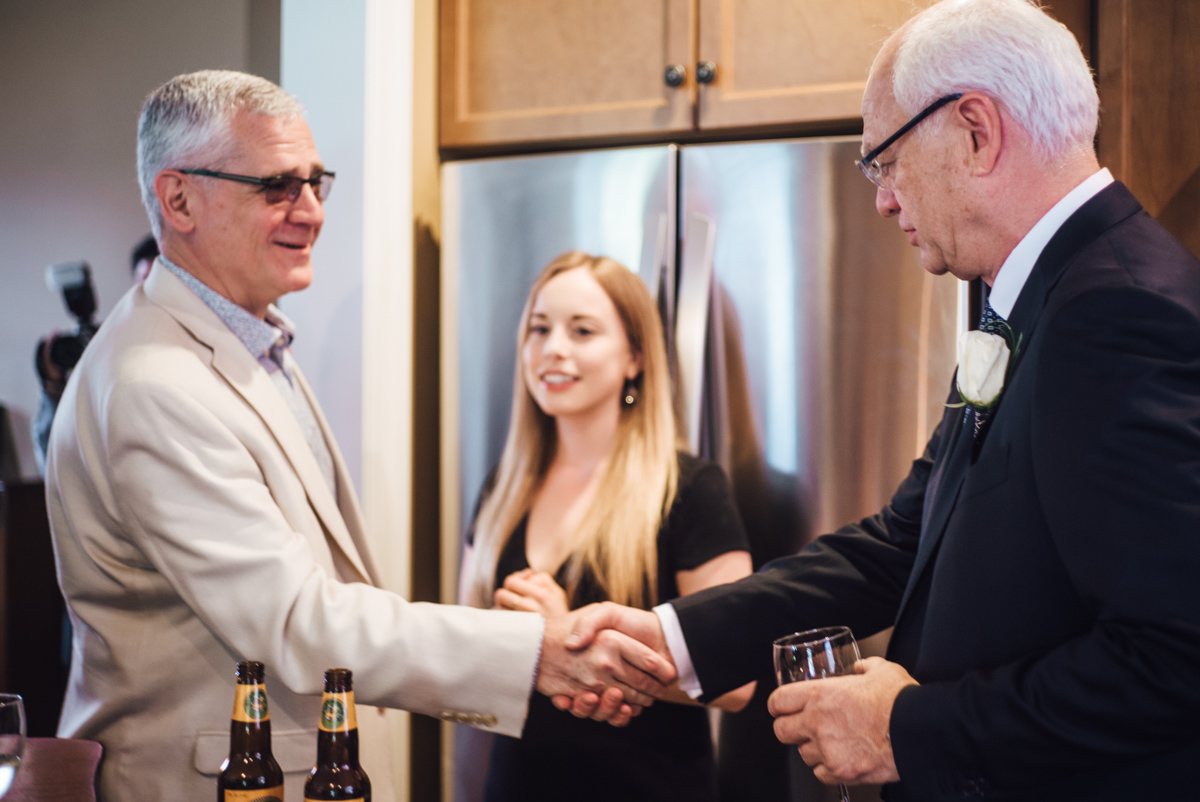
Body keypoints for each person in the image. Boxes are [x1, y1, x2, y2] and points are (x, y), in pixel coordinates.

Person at [564, 1, 1200, 800]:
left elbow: (1177, 656)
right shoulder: (1032, 297)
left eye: (885, 161)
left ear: (975, 130)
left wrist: (907, 729)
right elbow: (905, 540)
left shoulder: (1117, 313)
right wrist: (673, 634)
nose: (883, 201)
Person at [45, 70, 672, 802]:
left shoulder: (247, 342)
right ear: (179, 198)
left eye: (316, 183)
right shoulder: (155, 381)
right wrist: (535, 653)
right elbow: (297, 621)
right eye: (277, 186)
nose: (309, 212)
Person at [460, 251, 754, 801]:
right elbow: (466, 649)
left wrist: (566, 632)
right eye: (540, 329)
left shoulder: (689, 489)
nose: (553, 349)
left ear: (634, 358)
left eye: (583, 330)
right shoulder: (503, 487)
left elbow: (737, 680)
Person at [31, 234, 158, 473]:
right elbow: (50, 460)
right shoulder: (110, 345)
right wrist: (55, 388)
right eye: (143, 283)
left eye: (158, 284)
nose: (150, 294)